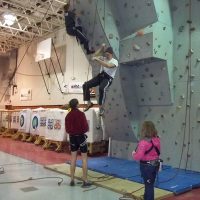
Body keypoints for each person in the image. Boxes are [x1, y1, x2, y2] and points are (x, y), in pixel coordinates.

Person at [82, 44, 118, 115]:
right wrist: (101, 48)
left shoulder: (114, 61)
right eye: (106, 54)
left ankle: (101, 108)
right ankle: (89, 103)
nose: (106, 56)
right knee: (85, 85)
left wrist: (97, 59)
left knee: (102, 88)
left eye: (108, 55)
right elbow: (93, 57)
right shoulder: (103, 58)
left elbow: (108, 65)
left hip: (108, 78)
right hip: (100, 76)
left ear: (111, 54)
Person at [65, 98, 91, 187]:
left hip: (72, 138)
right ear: (77, 105)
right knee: (84, 159)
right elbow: (85, 128)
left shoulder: (68, 116)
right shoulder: (81, 114)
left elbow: (67, 129)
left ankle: (72, 180)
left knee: (73, 158)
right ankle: (85, 180)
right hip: (81, 138)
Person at [132, 121, 161, 200]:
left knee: (149, 185)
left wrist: (133, 154)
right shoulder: (157, 139)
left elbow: (138, 156)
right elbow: (157, 152)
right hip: (155, 164)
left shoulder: (143, 142)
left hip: (146, 166)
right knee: (150, 183)